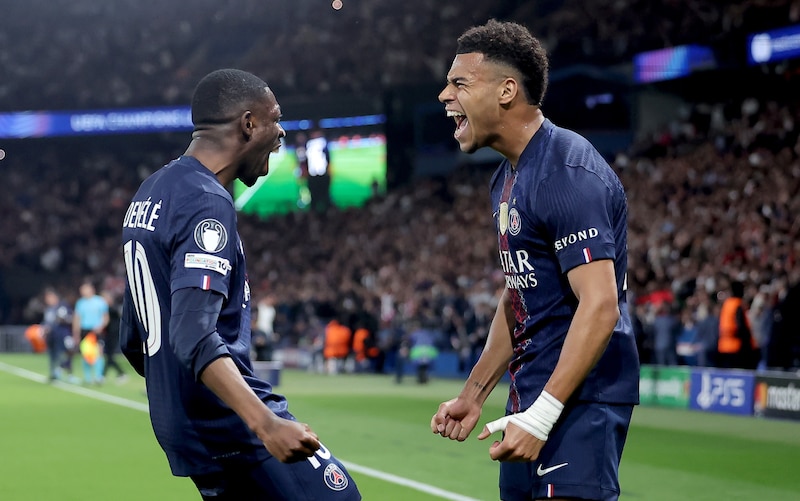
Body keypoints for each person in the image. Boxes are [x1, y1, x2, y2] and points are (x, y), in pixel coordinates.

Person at [119, 68, 360, 500]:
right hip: (229, 424)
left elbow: (133, 338)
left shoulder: (151, 192)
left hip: (186, 425)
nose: (282, 131)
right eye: (275, 119)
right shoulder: (206, 200)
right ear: (249, 124)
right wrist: (265, 424)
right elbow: (193, 334)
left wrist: (177, 396)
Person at [430, 20, 639, 501]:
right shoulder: (505, 178)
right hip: (530, 397)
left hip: (580, 403)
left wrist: (544, 416)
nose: (445, 95)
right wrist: (473, 395)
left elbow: (600, 305)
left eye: (460, 83)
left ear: (507, 91)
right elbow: (519, 295)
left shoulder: (568, 170)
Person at [72, 280, 108, 384]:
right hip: (85, 330)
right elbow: (77, 319)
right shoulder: (80, 303)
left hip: (96, 330)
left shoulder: (100, 301)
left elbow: (105, 317)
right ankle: (87, 377)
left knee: (99, 352)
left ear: (91, 289)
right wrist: (76, 333)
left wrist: (101, 326)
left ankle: (99, 376)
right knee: (86, 353)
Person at [717, 280, 756, 369]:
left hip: (723, 345)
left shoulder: (726, 304)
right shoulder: (738, 304)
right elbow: (741, 326)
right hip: (736, 346)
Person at [41, 287, 74, 382]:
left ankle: (67, 373)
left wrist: (62, 319)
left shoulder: (62, 306)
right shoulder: (49, 309)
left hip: (63, 335)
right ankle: (54, 373)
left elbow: (70, 318)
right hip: (51, 337)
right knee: (53, 355)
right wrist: (44, 329)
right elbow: (46, 322)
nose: (48, 300)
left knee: (68, 352)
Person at [100, 290, 128, 383]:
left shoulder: (112, 309)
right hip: (109, 334)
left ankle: (119, 373)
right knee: (109, 356)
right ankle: (105, 375)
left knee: (109, 356)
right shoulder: (109, 309)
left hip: (113, 334)